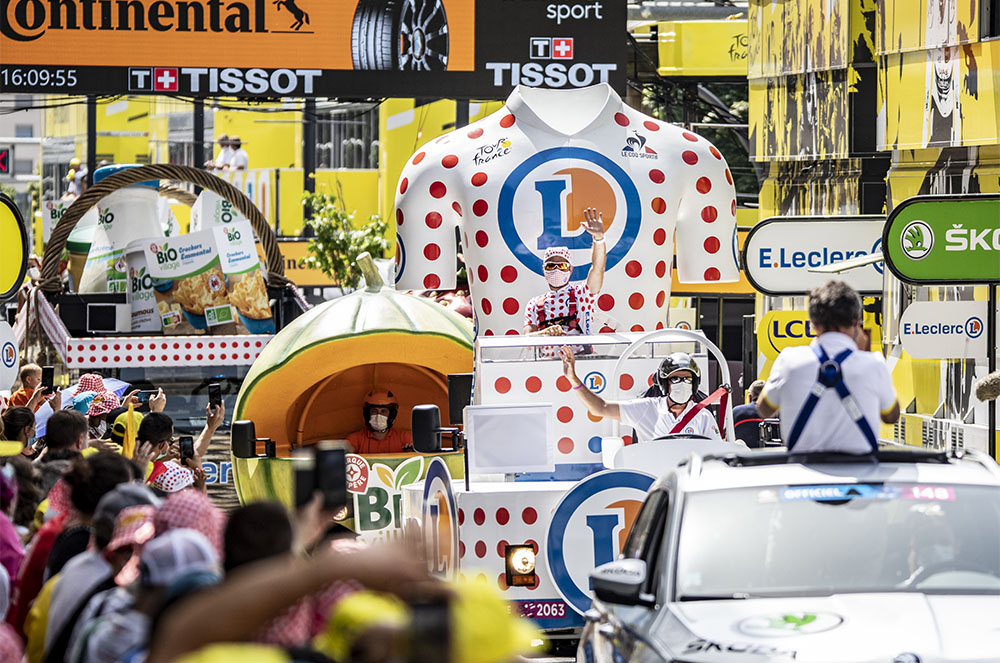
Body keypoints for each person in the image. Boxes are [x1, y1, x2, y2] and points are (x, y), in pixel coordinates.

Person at [756, 280, 900, 454]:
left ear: (813, 323)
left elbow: (764, 409)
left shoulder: (788, 360)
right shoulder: (874, 364)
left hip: (802, 468)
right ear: (856, 321)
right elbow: (891, 416)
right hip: (861, 468)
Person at [561, 347, 721, 441]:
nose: (682, 383)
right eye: (675, 379)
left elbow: (716, 453)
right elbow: (600, 408)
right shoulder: (647, 408)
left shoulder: (703, 417)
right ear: (664, 383)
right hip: (652, 481)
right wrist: (573, 379)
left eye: (687, 379)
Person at [523, 207, 607, 337]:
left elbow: (598, 268)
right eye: (551, 266)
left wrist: (599, 238)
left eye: (562, 265)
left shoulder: (582, 295)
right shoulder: (534, 304)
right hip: (546, 352)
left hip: (580, 351)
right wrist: (545, 332)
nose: (556, 269)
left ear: (570, 269)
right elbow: (527, 340)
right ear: (543, 270)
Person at [346, 390, 414, 455]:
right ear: (367, 414)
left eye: (383, 411)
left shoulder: (404, 438)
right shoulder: (355, 439)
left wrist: (411, 453)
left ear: (391, 416)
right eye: (374, 411)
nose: (379, 415)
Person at [732, 379, 766, 449]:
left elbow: (728, 437)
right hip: (772, 454)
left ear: (750, 397)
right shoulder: (777, 413)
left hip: (743, 454)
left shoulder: (736, 412)